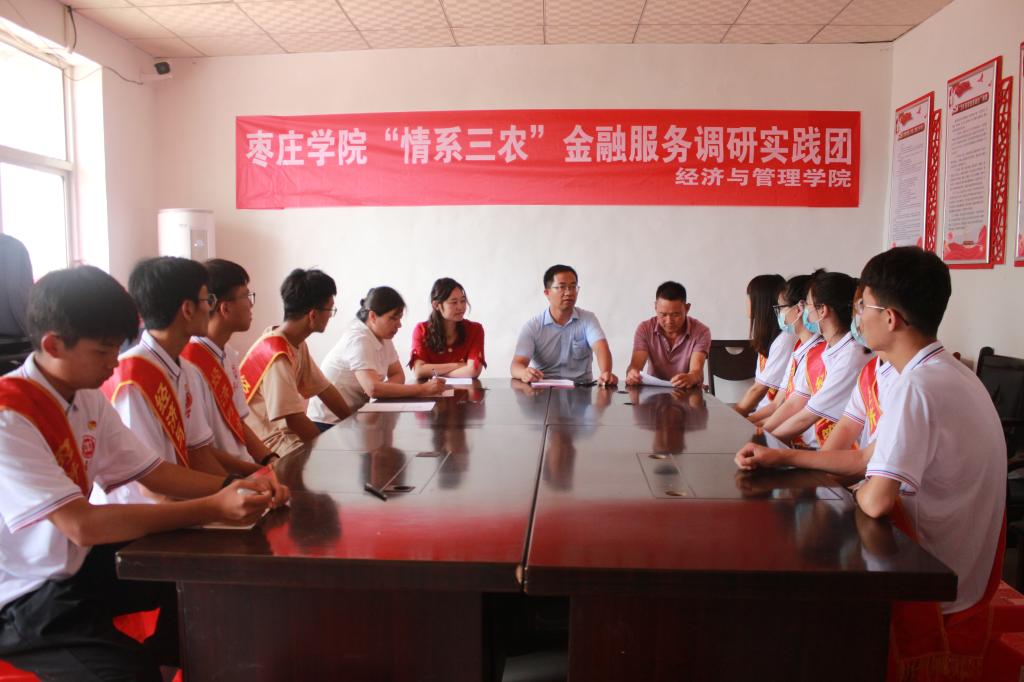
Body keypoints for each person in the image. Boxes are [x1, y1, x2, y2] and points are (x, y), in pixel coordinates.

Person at [0, 266, 287, 681]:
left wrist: (237, 487)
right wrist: (213, 506)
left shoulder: (84, 397)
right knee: (127, 672)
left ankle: (172, 661)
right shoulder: (10, 416)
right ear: (53, 345)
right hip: (22, 592)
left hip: (72, 567)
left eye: (118, 347)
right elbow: (82, 525)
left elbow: (155, 472)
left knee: (195, 567)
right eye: (103, 351)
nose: (113, 362)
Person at [738, 247, 1005, 680]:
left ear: (891, 318)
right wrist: (781, 456)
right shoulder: (942, 373)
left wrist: (859, 486)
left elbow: (878, 499)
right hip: (952, 559)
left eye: (862, 306)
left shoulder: (917, 386)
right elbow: (866, 456)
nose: (856, 317)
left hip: (930, 569)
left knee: (798, 572)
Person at [93, 257, 259, 509]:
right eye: (207, 300)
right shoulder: (133, 378)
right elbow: (150, 485)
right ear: (188, 309)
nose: (211, 308)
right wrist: (224, 500)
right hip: (139, 517)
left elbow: (198, 453)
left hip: (176, 505)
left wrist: (241, 489)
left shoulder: (185, 369)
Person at [242, 268, 351, 455]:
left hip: (285, 435)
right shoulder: (277, 354)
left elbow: (324, 389)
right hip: (269, 443)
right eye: (330, 310)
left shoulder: (294, 342)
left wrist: (353, 423)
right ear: (313, 315)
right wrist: (325, 449)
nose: (330, 316)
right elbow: (293, 419)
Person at [760, 269, 872, 448]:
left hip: (841, 452)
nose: (803, 310)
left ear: (822, 310)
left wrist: (762, 442)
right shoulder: (824, 350)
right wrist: (762, 435)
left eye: (807, 304)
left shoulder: (851, 356)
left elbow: (807, 416)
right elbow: (794, 403)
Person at [182, 259, 278, 466]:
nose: (251, 304)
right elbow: (198, 450)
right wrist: (251, 474)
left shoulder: (228, 354)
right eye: (246, 296)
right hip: (222, 476)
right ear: (224, 308)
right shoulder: (189, 364)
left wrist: (269, 459)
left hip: (243, 468)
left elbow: (238, 421)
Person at [308, 286, 445, 418]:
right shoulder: (358, 338)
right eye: (393, 318)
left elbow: (397, 374)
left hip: (354, 416)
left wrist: (383, 389)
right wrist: (422, 389)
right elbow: (373, 389)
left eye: (400, 318)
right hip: (330, 422)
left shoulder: (383, 335)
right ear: (373, 316)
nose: (399, 325)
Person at [511, 265, 616, 385]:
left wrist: (606, 372)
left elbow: (600, 348)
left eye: (573, 287)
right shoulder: (533, 327)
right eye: (561, 287)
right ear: (547, 293)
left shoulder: (588, 319)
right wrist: (523, 373)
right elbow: (516, 365)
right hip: (544, 389)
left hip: (581, 388)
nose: (569, 292)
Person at [746, 275, 821, 432]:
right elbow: (778, 403)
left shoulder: (807, 348)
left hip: (801, 437)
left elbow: (794, 409)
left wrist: (758, 429)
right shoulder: (798, 347)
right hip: (782, 427)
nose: (779, 313)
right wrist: (749, 424)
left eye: (781, 308)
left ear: (799, 309)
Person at [625, 281, 710, 388]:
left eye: (675, 315)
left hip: (687, 391)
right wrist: (632, 374)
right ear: (655, 307)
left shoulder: (701, 332)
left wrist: (691, 377)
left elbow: (696, 371)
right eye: (663, 314)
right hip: (653, 391)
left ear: (687, 308)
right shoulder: (645, 329)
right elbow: (635, 366)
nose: (669, 321)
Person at [734, 274, 794, 415]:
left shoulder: (785, 339)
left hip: (773, 416)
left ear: (761, 302)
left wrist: (733, 416)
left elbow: (759, 389)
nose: (746, 302)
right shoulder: (769, 338)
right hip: (763, 412)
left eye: (749, 297)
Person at [408, 277, 485, 379]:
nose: (460, 307)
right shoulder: (421, 330)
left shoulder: (475, 329)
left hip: (464, 389)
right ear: (436, 305)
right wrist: (458, 365)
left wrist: (435, 374)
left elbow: (473, 371)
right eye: (454, 302)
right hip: (431, 389)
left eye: (463, 301)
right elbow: (419, 371)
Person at [0, 234, 32, 338]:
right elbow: (19, 292)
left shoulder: (14, 248)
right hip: (16, 334)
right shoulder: (15, 247)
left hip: (14, 336)